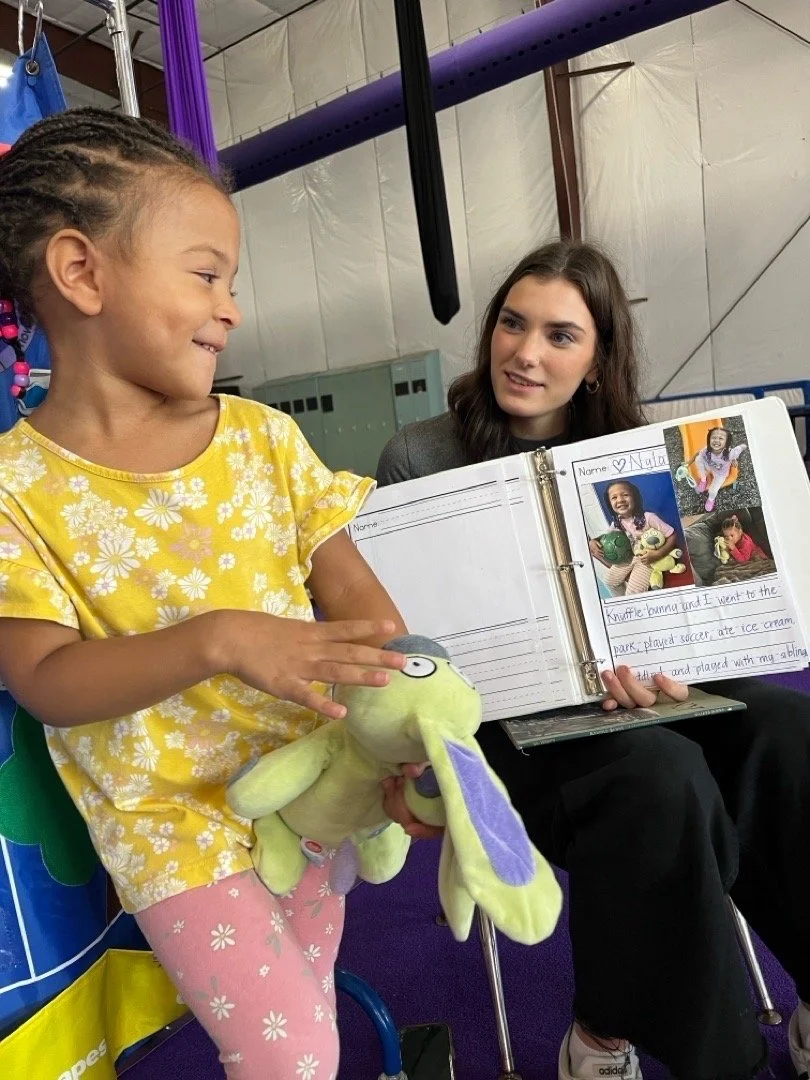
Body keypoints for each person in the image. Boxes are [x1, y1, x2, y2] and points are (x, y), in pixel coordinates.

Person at [0, 108, 414, 1080]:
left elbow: (373, 622)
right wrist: (221, 636)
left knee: (309, 1015)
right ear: (81, 272)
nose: (229, 308)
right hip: (175, 835)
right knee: (295, 1053)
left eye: (232, 282)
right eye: (205, 273)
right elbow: (46, 679)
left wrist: (393, 728)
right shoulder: (17, 488)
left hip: (309, 793)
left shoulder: (266, 439)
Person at [376, 241, 810, 1080]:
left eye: (560, 335)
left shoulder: (646, 452)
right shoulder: (417, 457)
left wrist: (679, 670)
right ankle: (605, 1037)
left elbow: (700, 610)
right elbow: (412, 643)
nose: (526, 352)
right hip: (513, 726)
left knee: (789, 729)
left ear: (599, 356)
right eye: (512, 323)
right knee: (660, 774)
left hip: (641, 697)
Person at [589, 479, 680, 594]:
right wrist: (593, 541)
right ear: (609, 504)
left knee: (633, 592)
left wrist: (658, 554)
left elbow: (672, 535)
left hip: (648, 560)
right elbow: (606, 535)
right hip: (629, 557)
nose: (620, 500)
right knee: (609, 582)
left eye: (625, 495)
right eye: (614, 497)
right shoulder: (618, 521)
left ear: (635, 498)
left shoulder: (649, 517)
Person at [693, 426, 748, 512]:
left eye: (721, 438)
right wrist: (688, 463)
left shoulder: (730, 453)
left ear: (727, 443)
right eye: (713, 437)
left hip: (720, 474)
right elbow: (698, 455)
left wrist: (744, 446)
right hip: (710, 467)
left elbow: (740, 448)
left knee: (712, 490)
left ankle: (711, 499)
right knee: (698, 459)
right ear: (709, 440)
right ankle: (704, 480)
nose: (716, 440)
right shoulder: (706, 450)